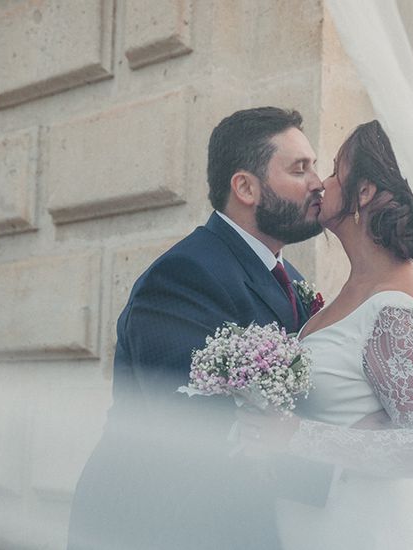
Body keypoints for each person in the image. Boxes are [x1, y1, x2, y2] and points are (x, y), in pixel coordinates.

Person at [67, 107, 333, 550]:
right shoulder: (185, 275)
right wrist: (340, 462)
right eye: (299, 168)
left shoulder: (295, 282)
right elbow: (195, 431)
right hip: (161, 526)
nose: (318, 183)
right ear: (246, 187)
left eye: (315, 166)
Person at [237, 120, 413, 550]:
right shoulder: (356, 290)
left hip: (366, 530)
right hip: (320, 524)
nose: (321, 183)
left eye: (336, 171)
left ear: (364, 192)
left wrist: (296, 436)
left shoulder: (393, 308)